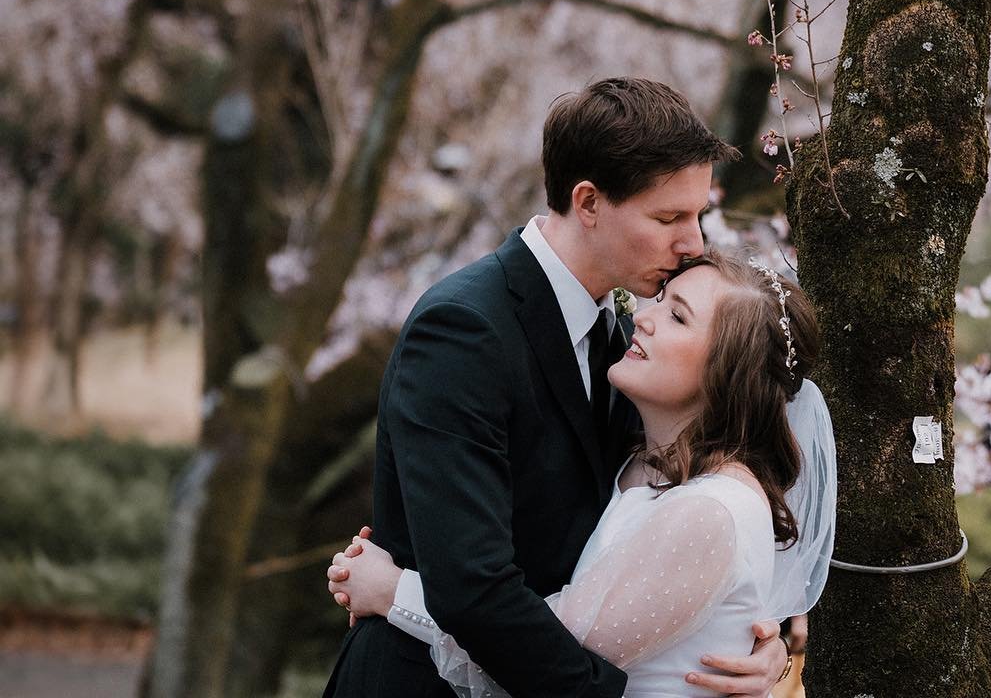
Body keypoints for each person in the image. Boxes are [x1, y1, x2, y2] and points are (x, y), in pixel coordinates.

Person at [320, 77, 805, 698]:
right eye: (668, 217)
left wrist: (751, 637)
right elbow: (473, 587)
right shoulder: (465, 331)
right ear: (589, 202)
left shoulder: (628, 341)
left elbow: (686, 499)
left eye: (697, 215)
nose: (693, 243)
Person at [331, 252, 825, 698]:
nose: (643, 319)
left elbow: (543, 648)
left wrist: (393, 590)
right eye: (660, 302)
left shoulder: (709, 510)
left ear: (729, 374)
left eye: (677, 316)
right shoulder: (647, 462)